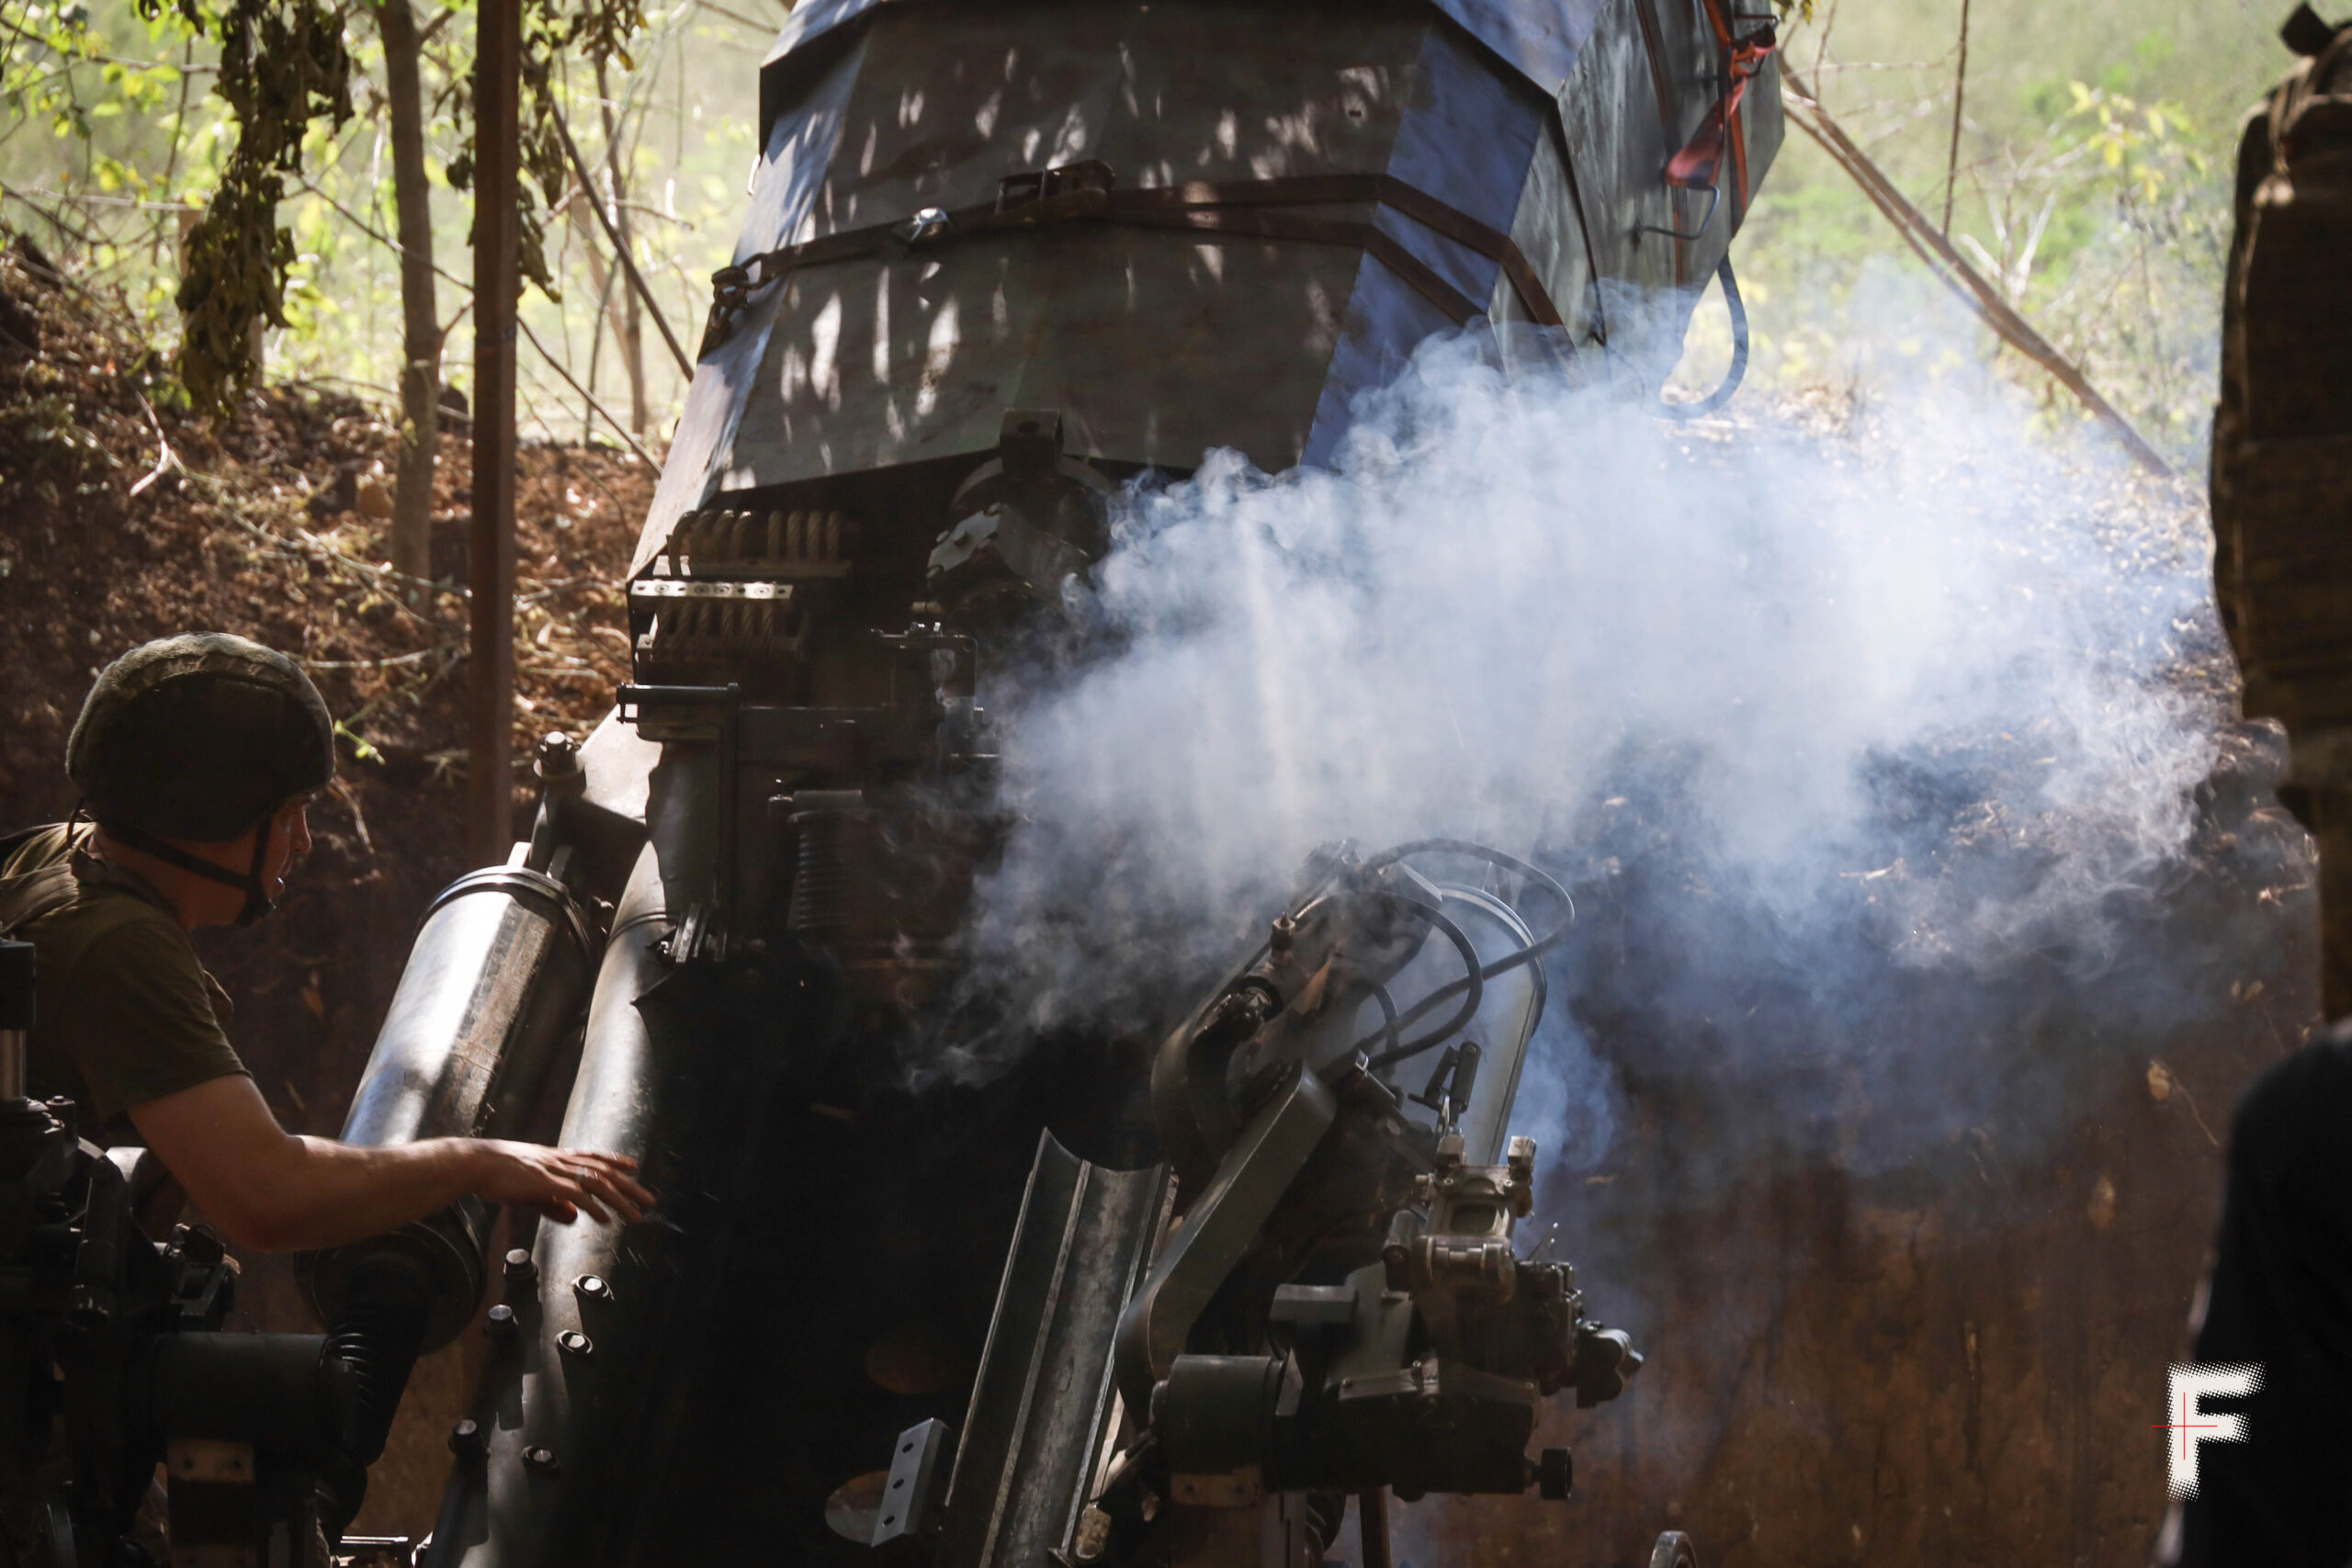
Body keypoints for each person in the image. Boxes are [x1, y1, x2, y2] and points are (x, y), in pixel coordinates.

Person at [0, 632, 650, 1251]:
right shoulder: (118, 948)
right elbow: (269, 1195)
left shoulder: (55, 853)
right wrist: (474, 1161)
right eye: (288, 813)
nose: (304, 840)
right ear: (210, 814)